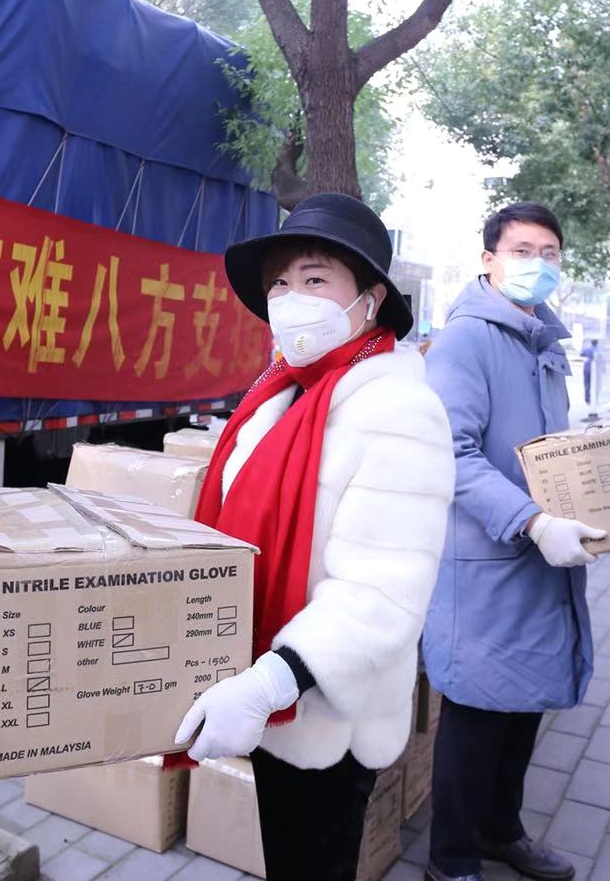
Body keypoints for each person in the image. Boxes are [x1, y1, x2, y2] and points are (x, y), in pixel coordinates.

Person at [173, 193, 454, 881]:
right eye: (279, 282)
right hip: (261, 689)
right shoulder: (279, 393)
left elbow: (384, 591)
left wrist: (273, 680)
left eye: (315, 278)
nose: (291, 297)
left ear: (371, 299)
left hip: (325, 709)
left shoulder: (400, 408)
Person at [420, 202, 602, 881]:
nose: (538, 264)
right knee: (478, 714)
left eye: (550, 253)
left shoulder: (541, 343)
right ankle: (451, 861)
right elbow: (450, 452)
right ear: (489, 259)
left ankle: (502, 832)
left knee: (524, 705)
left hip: (541, 559)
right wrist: (533, 521)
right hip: (489, 558)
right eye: (522, 251)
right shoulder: (467, 340)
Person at [580, 337, 600, 406]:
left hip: (587, 369)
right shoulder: (597, 350)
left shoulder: (587, 349)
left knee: (587, 385)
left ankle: (587, 399)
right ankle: (595, 399)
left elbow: (581, 354)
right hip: (595, 371)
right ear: (597, 343)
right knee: (596, 385)